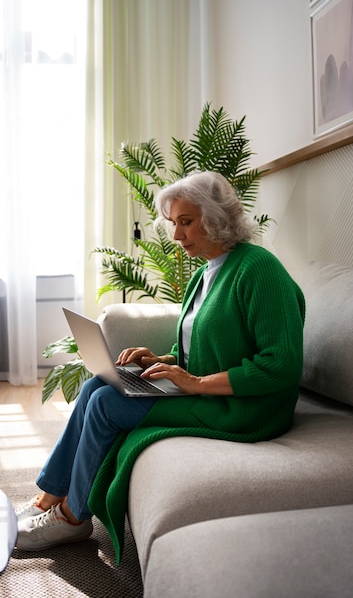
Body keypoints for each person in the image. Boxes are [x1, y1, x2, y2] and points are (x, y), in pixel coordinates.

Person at [15, 170, 305, 560]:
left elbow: (281, 364)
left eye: (186, 222)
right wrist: (160, 360)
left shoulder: (259, 269)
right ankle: (50, 495)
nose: (175, 235)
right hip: (204, 389)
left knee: (105, 405)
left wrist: (195, 383)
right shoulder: (204, 274)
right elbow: (196, 349)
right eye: (174, 223)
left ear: (217, 218)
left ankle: (72, 517)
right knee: (93, 388)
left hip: (245, 407)